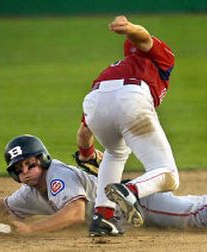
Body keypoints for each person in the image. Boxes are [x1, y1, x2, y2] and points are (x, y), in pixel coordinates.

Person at [0, 134, 207, 235]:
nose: (27, 172)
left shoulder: (57, 178)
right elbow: (5, 207)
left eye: (31, 164)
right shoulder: (28, 191)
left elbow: (75, 214)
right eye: (19, 168)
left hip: (139, 203)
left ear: (43, 161)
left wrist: (32, 231)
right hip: (130, 200)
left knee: (199, 215)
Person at [75, 15, 179, 236]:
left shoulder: (115, 69)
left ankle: (103, 217)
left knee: (115, 152)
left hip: (95, 100)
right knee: (168, 174)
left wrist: (87, 154)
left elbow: (84, 132)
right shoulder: (160, 58)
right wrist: (131, 28)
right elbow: (143, 36)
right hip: (131, 97)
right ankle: (129, 190)